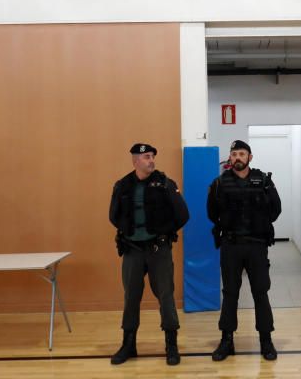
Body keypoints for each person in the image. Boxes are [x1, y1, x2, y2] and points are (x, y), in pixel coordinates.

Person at [109, 143, 190, 365]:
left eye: (152, 156)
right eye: (146, 157)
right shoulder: (123, 186)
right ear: (135, 161)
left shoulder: (165, 183)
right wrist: (130, 232)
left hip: (158, 250)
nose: (151, 160)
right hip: (133, 251)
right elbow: (113, 216)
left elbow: (183, 214)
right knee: (131, 297)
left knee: (166, 296)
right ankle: (128, 344)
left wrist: (164, 232)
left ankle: (171, 345)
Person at [207, 140, 282, 361]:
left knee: (261, 292)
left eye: (242, 153)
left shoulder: (264, 181)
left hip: (257, 245)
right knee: (230, 294)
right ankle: (226, 341)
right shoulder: (220, 183)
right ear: (230, 158)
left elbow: (276, 209)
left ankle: (266, 341)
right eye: (234, 154)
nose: (237, 157)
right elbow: (212, 213)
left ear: (250, 157)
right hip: (231, 245)